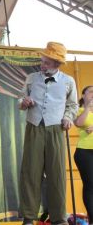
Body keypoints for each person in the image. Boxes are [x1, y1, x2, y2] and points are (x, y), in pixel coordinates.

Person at [18, 42, 78, 225]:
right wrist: (24, 102)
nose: (42, 65)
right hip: (34, 127)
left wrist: (68, 117)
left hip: (56, 129)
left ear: (56, 63)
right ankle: (29, 217)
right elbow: (20, 99)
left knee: (56, 174)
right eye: (42, 61)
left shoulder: (68, 81)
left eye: (45, 62)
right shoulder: (31, 78)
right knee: (30, 173)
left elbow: (73, 105)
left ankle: (59, 218)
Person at [74, 85, 93, 224]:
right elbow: (79, 123)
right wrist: (88, 107)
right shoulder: (79, 109)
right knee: (90, 185)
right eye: (91, 92)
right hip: (85, 152)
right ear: (84, 95)